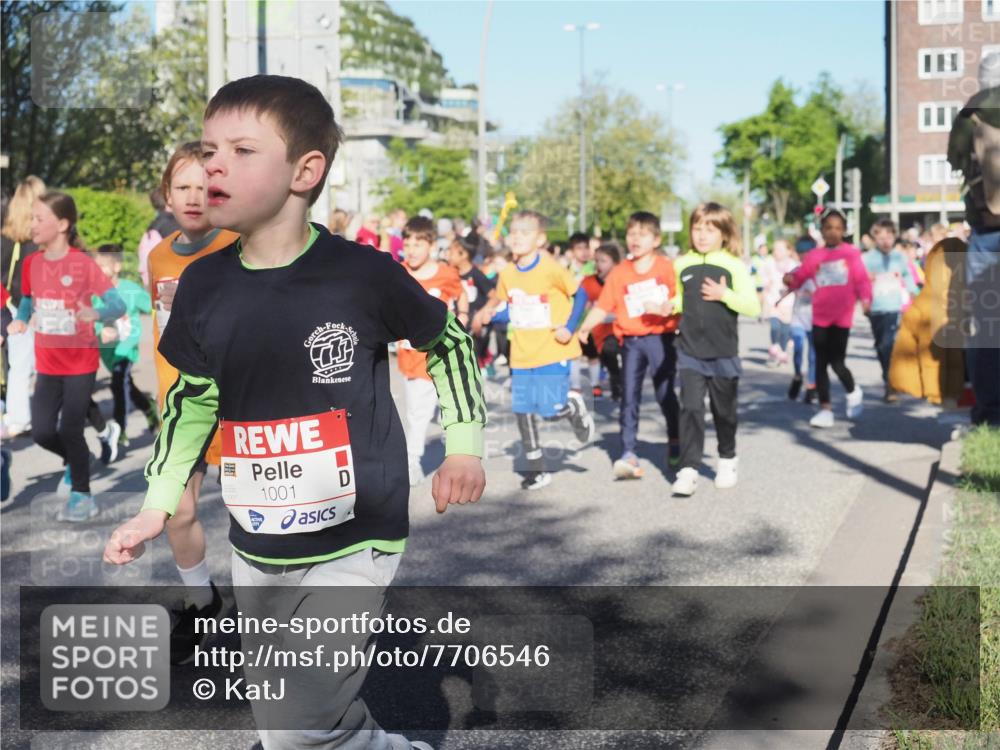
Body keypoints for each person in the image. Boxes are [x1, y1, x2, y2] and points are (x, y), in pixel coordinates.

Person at [103, 74, 484, 750]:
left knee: (306, 725)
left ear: (305, 171)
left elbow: (447, 340)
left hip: (356, 533)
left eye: (242, 150)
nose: (212, 163)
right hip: (257, 541)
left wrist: (464, 445)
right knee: (284, 731)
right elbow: (193, 401)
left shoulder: (361, 274)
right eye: (209, 147)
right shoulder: (201, 287)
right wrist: (158, 502)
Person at [147, 140, 240, 663]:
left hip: (235, 405)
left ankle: (275, 613)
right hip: (181, 408)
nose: (193, 196)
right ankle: (201, 601)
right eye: (182, 186)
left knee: (251, 516)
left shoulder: (236, 246)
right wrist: (156, 390)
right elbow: (156, 332)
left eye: (204, 187)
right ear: (167, 194)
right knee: (176, 513)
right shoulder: (159, 255)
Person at [6, 192, 125, 520]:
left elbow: (118, 304)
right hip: (47, 364)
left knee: (71, 428)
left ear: (62, 224)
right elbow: (29, 300)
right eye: (31, 218)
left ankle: (82, 497)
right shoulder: (31, 263)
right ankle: (78, 459)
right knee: (43, 431)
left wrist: (96, 315)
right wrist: (19, 318)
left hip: (80, 363)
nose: (31, 224)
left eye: (38, 218)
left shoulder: (82, 264)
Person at [473, 210, 594, 490]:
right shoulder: (507, 274)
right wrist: (493, 316)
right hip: (522, 354)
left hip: (553, 348)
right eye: (513, 232)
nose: (517, 237)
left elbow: (581, 294)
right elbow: (511, 310)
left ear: (540, 239)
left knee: (550, 410)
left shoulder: (550, 268)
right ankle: (536, 469)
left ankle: (572, 406)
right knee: (523, 410)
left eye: (525, 232)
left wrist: (569, 326)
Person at [577, 211, 680, 479]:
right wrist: (585, 327)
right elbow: (603, 306)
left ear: (656, 239)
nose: (635, 239)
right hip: (631, 341)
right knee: (629, 395)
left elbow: (679, 299)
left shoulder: (667, 267)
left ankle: (675, 440)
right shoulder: (620, 272)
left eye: (642, 234)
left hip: (660, 337)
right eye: (631, 233)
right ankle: (628, 452)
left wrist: (668, 308)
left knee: (665, 394)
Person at [668, 203, 760, 495]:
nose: (702, 235)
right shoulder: (681, 264)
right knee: (691, 408)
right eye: (697, 228)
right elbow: (680, 301)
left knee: (724, 412)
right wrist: (666, 306)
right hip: (689, 351)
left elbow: (753, 306)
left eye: (710, 229)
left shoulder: (734, 265)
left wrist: (725, 294)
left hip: (723, 352)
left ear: (724, 233)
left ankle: (727, 458)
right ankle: (688, 468)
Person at [947, 51, 1000, 426]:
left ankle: (988, 413)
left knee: (986, 326)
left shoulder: (969, 116)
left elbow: (954, 160)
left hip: (986, 230)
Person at [785, 209, 872, 429]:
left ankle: (853, 390)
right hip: (820, 316)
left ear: (843, 230)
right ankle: (825, 409)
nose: (833, 232)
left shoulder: (851, 254)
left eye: (838, 228)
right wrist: (789, 280)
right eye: (828, 227)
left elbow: (861, 279)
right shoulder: (815, 255)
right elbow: (800, 276)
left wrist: (866, 299)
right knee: (821, 363)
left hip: (842, 316)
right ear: (822, 230)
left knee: (837, 362)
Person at [398, 216, 469, 486]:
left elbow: (460, 293)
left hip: (445, 351)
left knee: (449, 405)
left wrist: (462, 314)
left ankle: (455, 450)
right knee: (416, 411)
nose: (412, 249)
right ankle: (413, 461)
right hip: (413, 356)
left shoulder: (446, 273)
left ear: (431, 245)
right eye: (408, 243)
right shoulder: (397, 273)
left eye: (418, 243)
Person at [92, 244, 158, 447]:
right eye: (97, 267)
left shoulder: (130, 289)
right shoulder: (95, 295)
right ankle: (149, 408)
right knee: (125, 384)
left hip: (127, 348)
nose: (99, 271)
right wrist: (99, 330)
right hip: (108, 352)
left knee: (118, 385)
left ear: (117, 266)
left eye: (104, 266)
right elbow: (90, 320)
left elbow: (153, 306)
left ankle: (119, 430)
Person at [1, 175, 46, 438]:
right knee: (42, 364)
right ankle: (29, 416)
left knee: (18, 364)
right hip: (34, 306)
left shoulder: (5, 237)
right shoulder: (38, 242)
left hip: (11, 305)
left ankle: (18, 417)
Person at [863, 219, 919, 402]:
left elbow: (907, 276)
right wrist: (863, 298)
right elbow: (859, 282)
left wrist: (913, 294)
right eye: (881, 237)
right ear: (874, 238)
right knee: (881, 346)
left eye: (889, 236)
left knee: (889, 344)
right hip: (875, 308)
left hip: (894, 307)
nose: (886, 241)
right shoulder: (867, 259)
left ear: (894, 237)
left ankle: (891, 383)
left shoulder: (899, 257)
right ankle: (887, 376)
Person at [580, 242, 623, 400]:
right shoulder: (589, 282)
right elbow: (581, 305)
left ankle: (620, 385)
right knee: (608, 355)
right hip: (599, 332)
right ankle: (617, 382)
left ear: (615, 263)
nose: (598, 265)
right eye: (596, 261)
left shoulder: (621, 281)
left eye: (603, 261)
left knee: (619, 354)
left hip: (622, 330)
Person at [449, 235, 496, 369]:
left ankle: (486, 363)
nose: (448, 255)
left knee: (471, 362)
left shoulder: (476, 274)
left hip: (474, 327)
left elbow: (495, 296)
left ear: (463, 254)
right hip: (457, 324)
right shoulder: (451, 273)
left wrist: (481, 314)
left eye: (451, 252)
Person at [789, 237, 818, 403]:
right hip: (798, 317)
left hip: (815, 318)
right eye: (801, 254)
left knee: (813, 355)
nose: (804, 258)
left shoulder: (820, 272)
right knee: (798, 348)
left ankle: (811, 385)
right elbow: (788, 280)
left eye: (808, 254)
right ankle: (798, 374)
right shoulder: (797, 271)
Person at [762, 239, 797, 367]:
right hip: (773, 301)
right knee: (775, 326)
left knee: (785, 331)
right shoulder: (769, 263)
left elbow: (797, 282)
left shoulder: (793, 265)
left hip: (788, 302)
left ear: (788, 251)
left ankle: (782, 352)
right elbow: (764, 279)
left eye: (780, 249)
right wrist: (766, 286)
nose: (776, 252)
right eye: (775, 249)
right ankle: (774, 347)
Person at [137, 187, 181, 288]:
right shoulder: (172, 224)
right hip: (168, 280)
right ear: (169, 199)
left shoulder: (153, 224)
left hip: (152, 278)